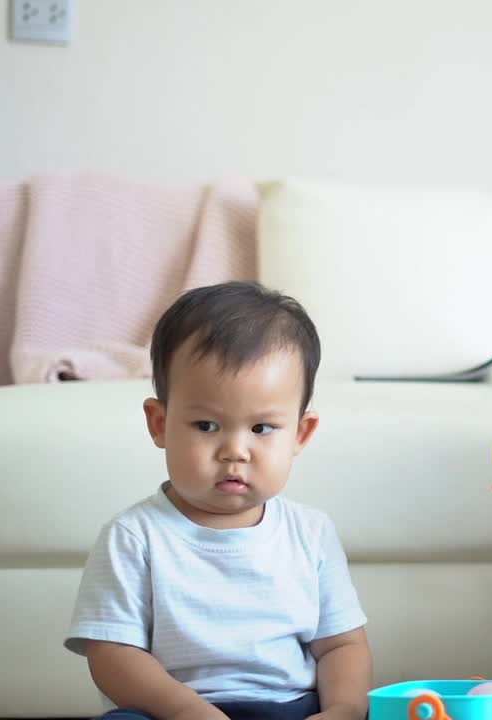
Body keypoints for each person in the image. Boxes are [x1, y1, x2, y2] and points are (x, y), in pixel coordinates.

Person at [65, 282, 371, 720]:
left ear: (300, 434)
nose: (235, 450)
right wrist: (190, 711)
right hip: (171, 709)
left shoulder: (311, 533)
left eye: (262, 429)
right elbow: (112, 653)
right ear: (160, 424)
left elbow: (342, 644)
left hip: (289, 707)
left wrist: (343, 709)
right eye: (207, 425)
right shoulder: (134, 536)